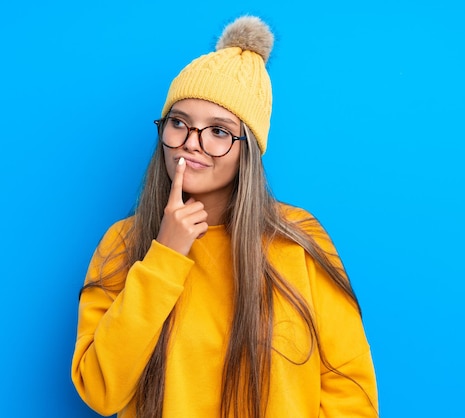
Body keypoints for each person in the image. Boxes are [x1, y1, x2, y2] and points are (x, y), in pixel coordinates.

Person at [71, 15, 378, 418]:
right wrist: (165, 256)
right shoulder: (123, 244)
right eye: (179, 123)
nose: (191, 144)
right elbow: (100, 390)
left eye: (219, 131)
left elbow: (350, 389)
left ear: (248, 147)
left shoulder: (298, 239)